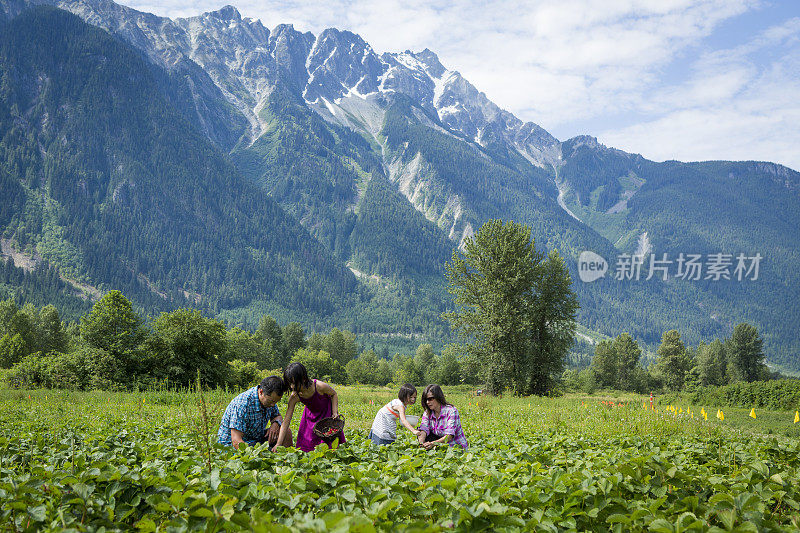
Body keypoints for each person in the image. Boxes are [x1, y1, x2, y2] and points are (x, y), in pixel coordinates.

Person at [272, 362, 346, 452]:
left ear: (303, 378)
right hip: (310, 419)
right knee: (308, 447)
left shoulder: (319, 386)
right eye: (289, 383)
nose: (292, 386)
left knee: (330, 447)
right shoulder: (295, 396)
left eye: (294, 383)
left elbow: (333, 394)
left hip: (327, 416)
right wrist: (278, 444)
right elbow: (286, 421)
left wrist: (335, 412)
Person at [217, 375, 293, 449]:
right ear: (261, 392)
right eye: (271, 401)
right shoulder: (243, 404)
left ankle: (286, 459)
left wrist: (275, 423)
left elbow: (277, 416)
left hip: (255, 439)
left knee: (286, 432)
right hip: (232, 444)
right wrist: (256, 455)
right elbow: (236, 440)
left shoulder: (270, 401)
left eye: (276, 402)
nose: (273, 405)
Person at [417, 384, 468, 450]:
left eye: (430, 399)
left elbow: (449, 436)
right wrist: (421, 443)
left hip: (455, 446)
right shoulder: (428, 412)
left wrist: (432, 444)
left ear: (438, 397)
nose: (427, 402)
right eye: (426, 400)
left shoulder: (451, 411)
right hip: (441, 445)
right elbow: (424, 428)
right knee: (421, 434)